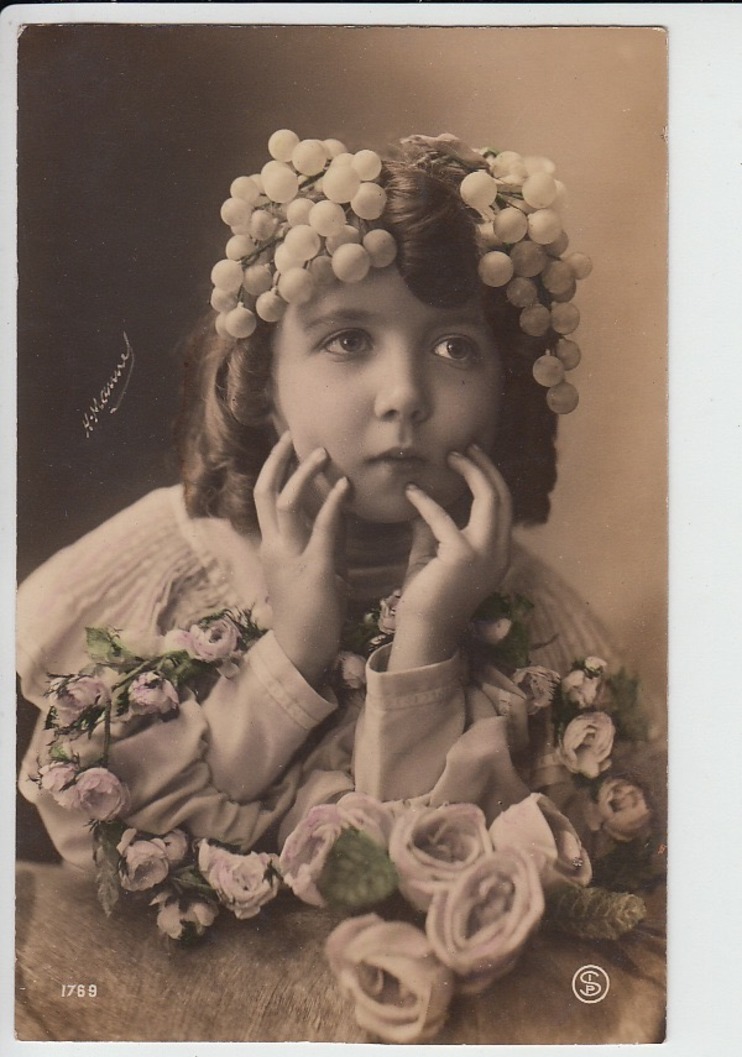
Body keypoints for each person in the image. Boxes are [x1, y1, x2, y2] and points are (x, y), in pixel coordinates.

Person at [17, 130, 612, 874]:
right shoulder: (168, 563)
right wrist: (292, 652)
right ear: (263, 385)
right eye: (349, 341)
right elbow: (103, 839)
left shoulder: (540, 625)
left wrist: (426, 638)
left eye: (455, 348)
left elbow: (445, 884)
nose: (403, 396)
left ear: (506, 390)